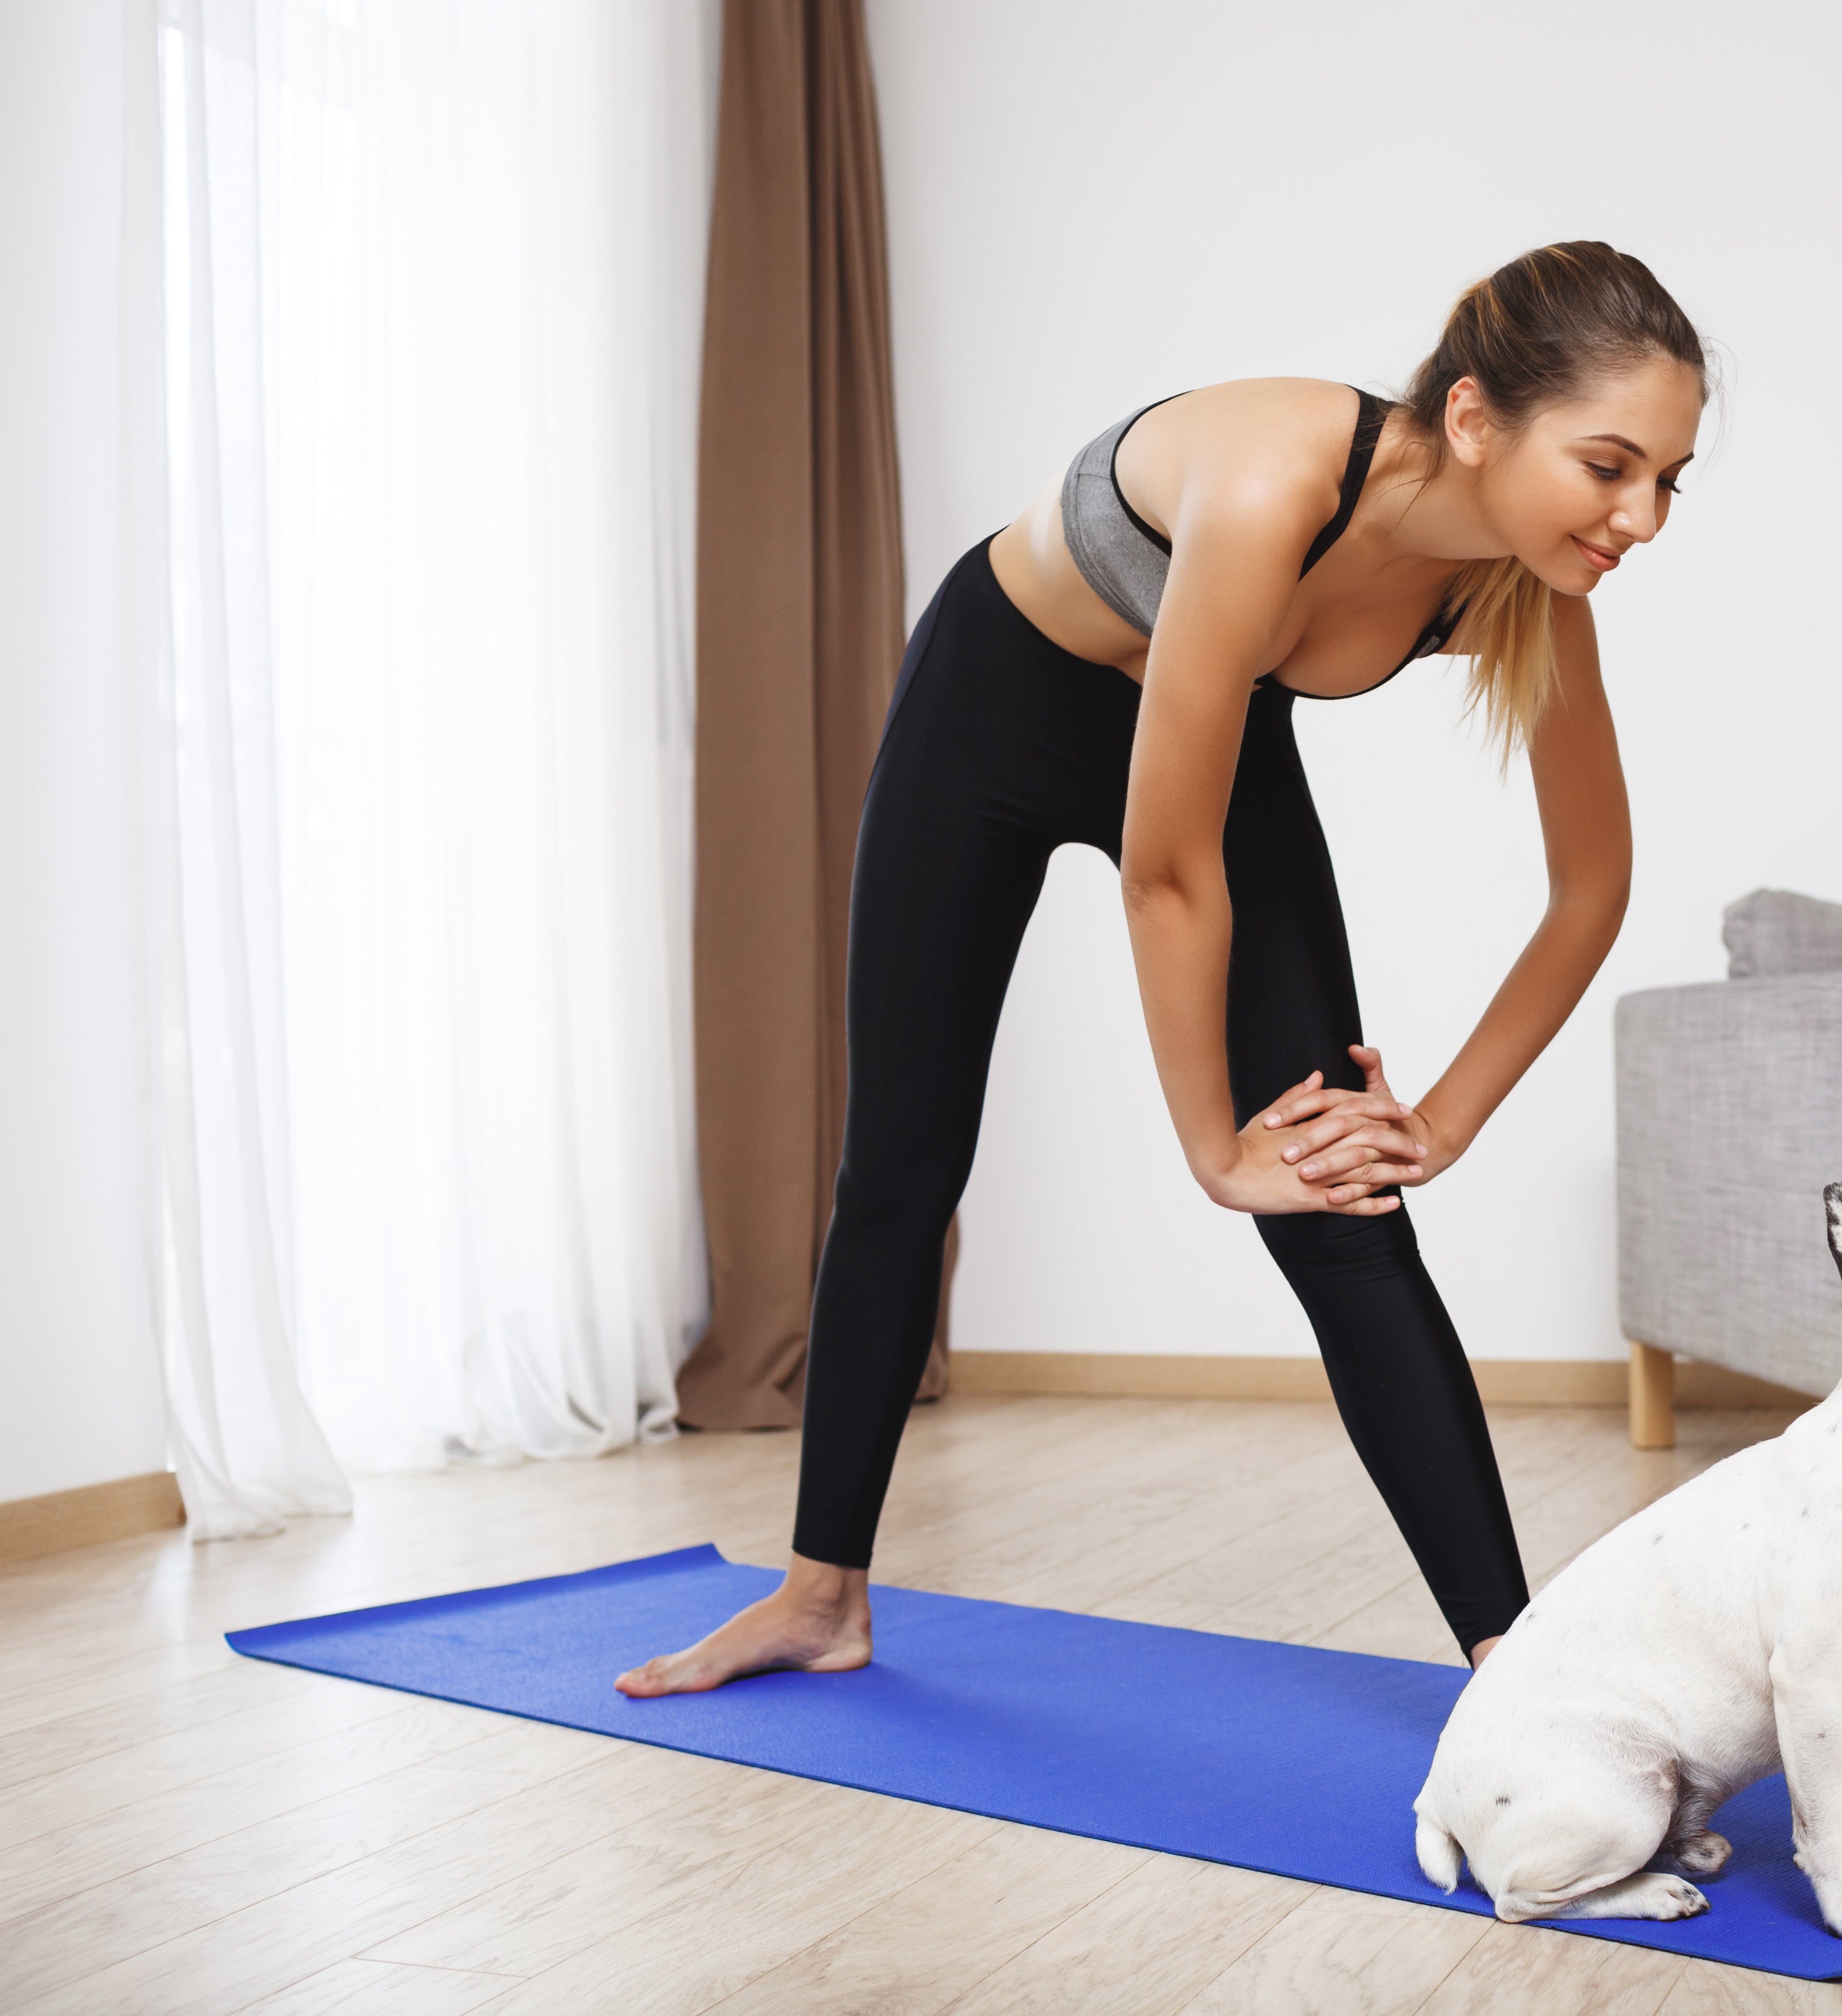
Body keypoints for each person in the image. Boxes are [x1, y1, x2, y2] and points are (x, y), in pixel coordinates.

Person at [617, 240, 1707, 1695]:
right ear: (1471, 420)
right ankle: (821, 1597)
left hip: (1215, 743)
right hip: (991, 717)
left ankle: (1519, 1665)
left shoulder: (1526, 590)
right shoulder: (1274, 488)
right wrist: (1211, 1145)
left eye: (1668, 481)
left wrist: (1440, 1116)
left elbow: (1593, 887)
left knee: (1345, 1187)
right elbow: (1164, 874)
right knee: (902, 1167)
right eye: (1610, 466)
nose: (1640, 517)